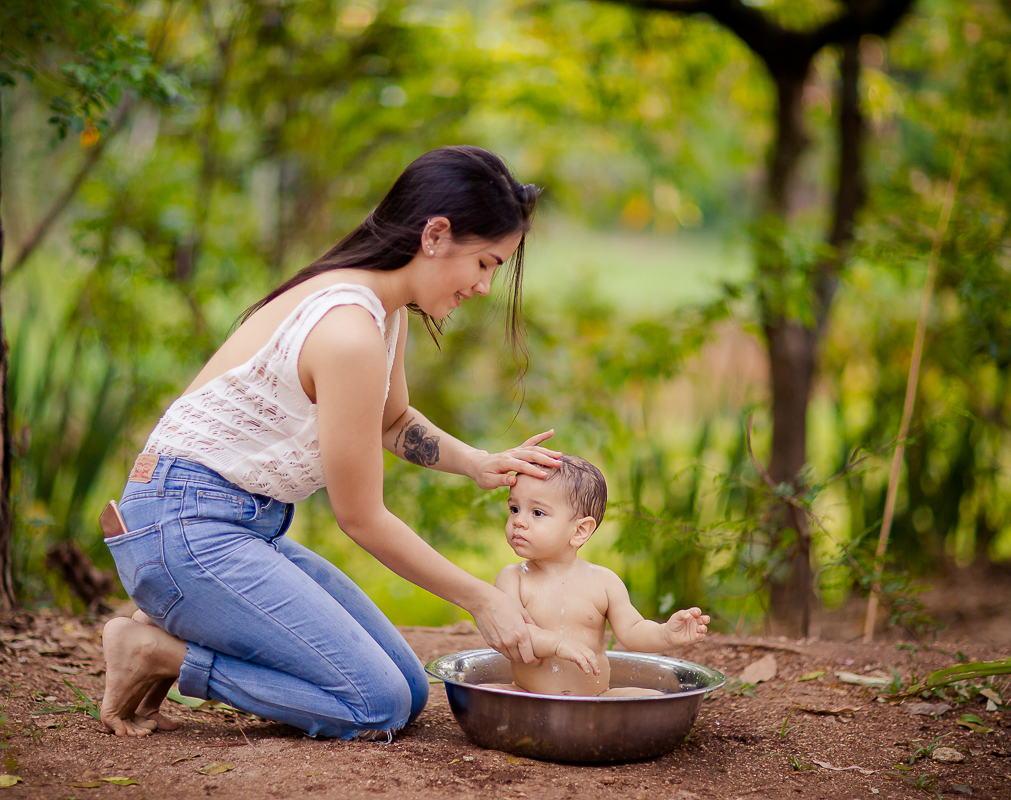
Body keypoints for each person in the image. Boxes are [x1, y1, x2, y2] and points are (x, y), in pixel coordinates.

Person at [99, 145, 561, 739]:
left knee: (411, 688)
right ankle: (157, 652)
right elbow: (362, 518)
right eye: (485, 263)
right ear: (436, 234)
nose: (485, 286)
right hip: (186, 530)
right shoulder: (348, 331)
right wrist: (482, 598)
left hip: (229, 527)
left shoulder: (377, 310)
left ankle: (183, 620)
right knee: (377, 705)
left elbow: (391, 422)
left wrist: (478, 463)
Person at [486, 455, 710, 696]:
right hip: (528, 695)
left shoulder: (604, 582)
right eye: (514, 508)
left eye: (537, 513)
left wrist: (665, 634)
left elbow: (632, 630)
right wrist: (558, 644)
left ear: (580, 530)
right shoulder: (513, 578)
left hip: (596, 700)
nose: (518, 521)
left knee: (656, 698)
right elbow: (514, 633)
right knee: (484, 692)